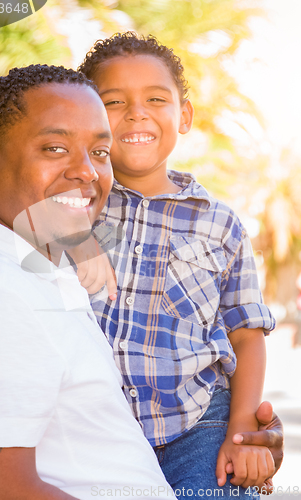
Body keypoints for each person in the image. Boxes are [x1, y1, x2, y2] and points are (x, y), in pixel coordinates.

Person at [73, 32, 281, 497]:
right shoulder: (75, 208)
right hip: (97, 429)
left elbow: (247, 336)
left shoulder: (219, 223)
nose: (136, 112)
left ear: (183, 116)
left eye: (155, 98)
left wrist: (242, 434)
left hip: (199, 424)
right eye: (113, 101)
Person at [0, 64, 177, 500]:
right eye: (56, 148)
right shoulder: (0, 291)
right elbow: (2, 490)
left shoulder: (33, 264)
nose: (86, 172)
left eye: (99, 153)